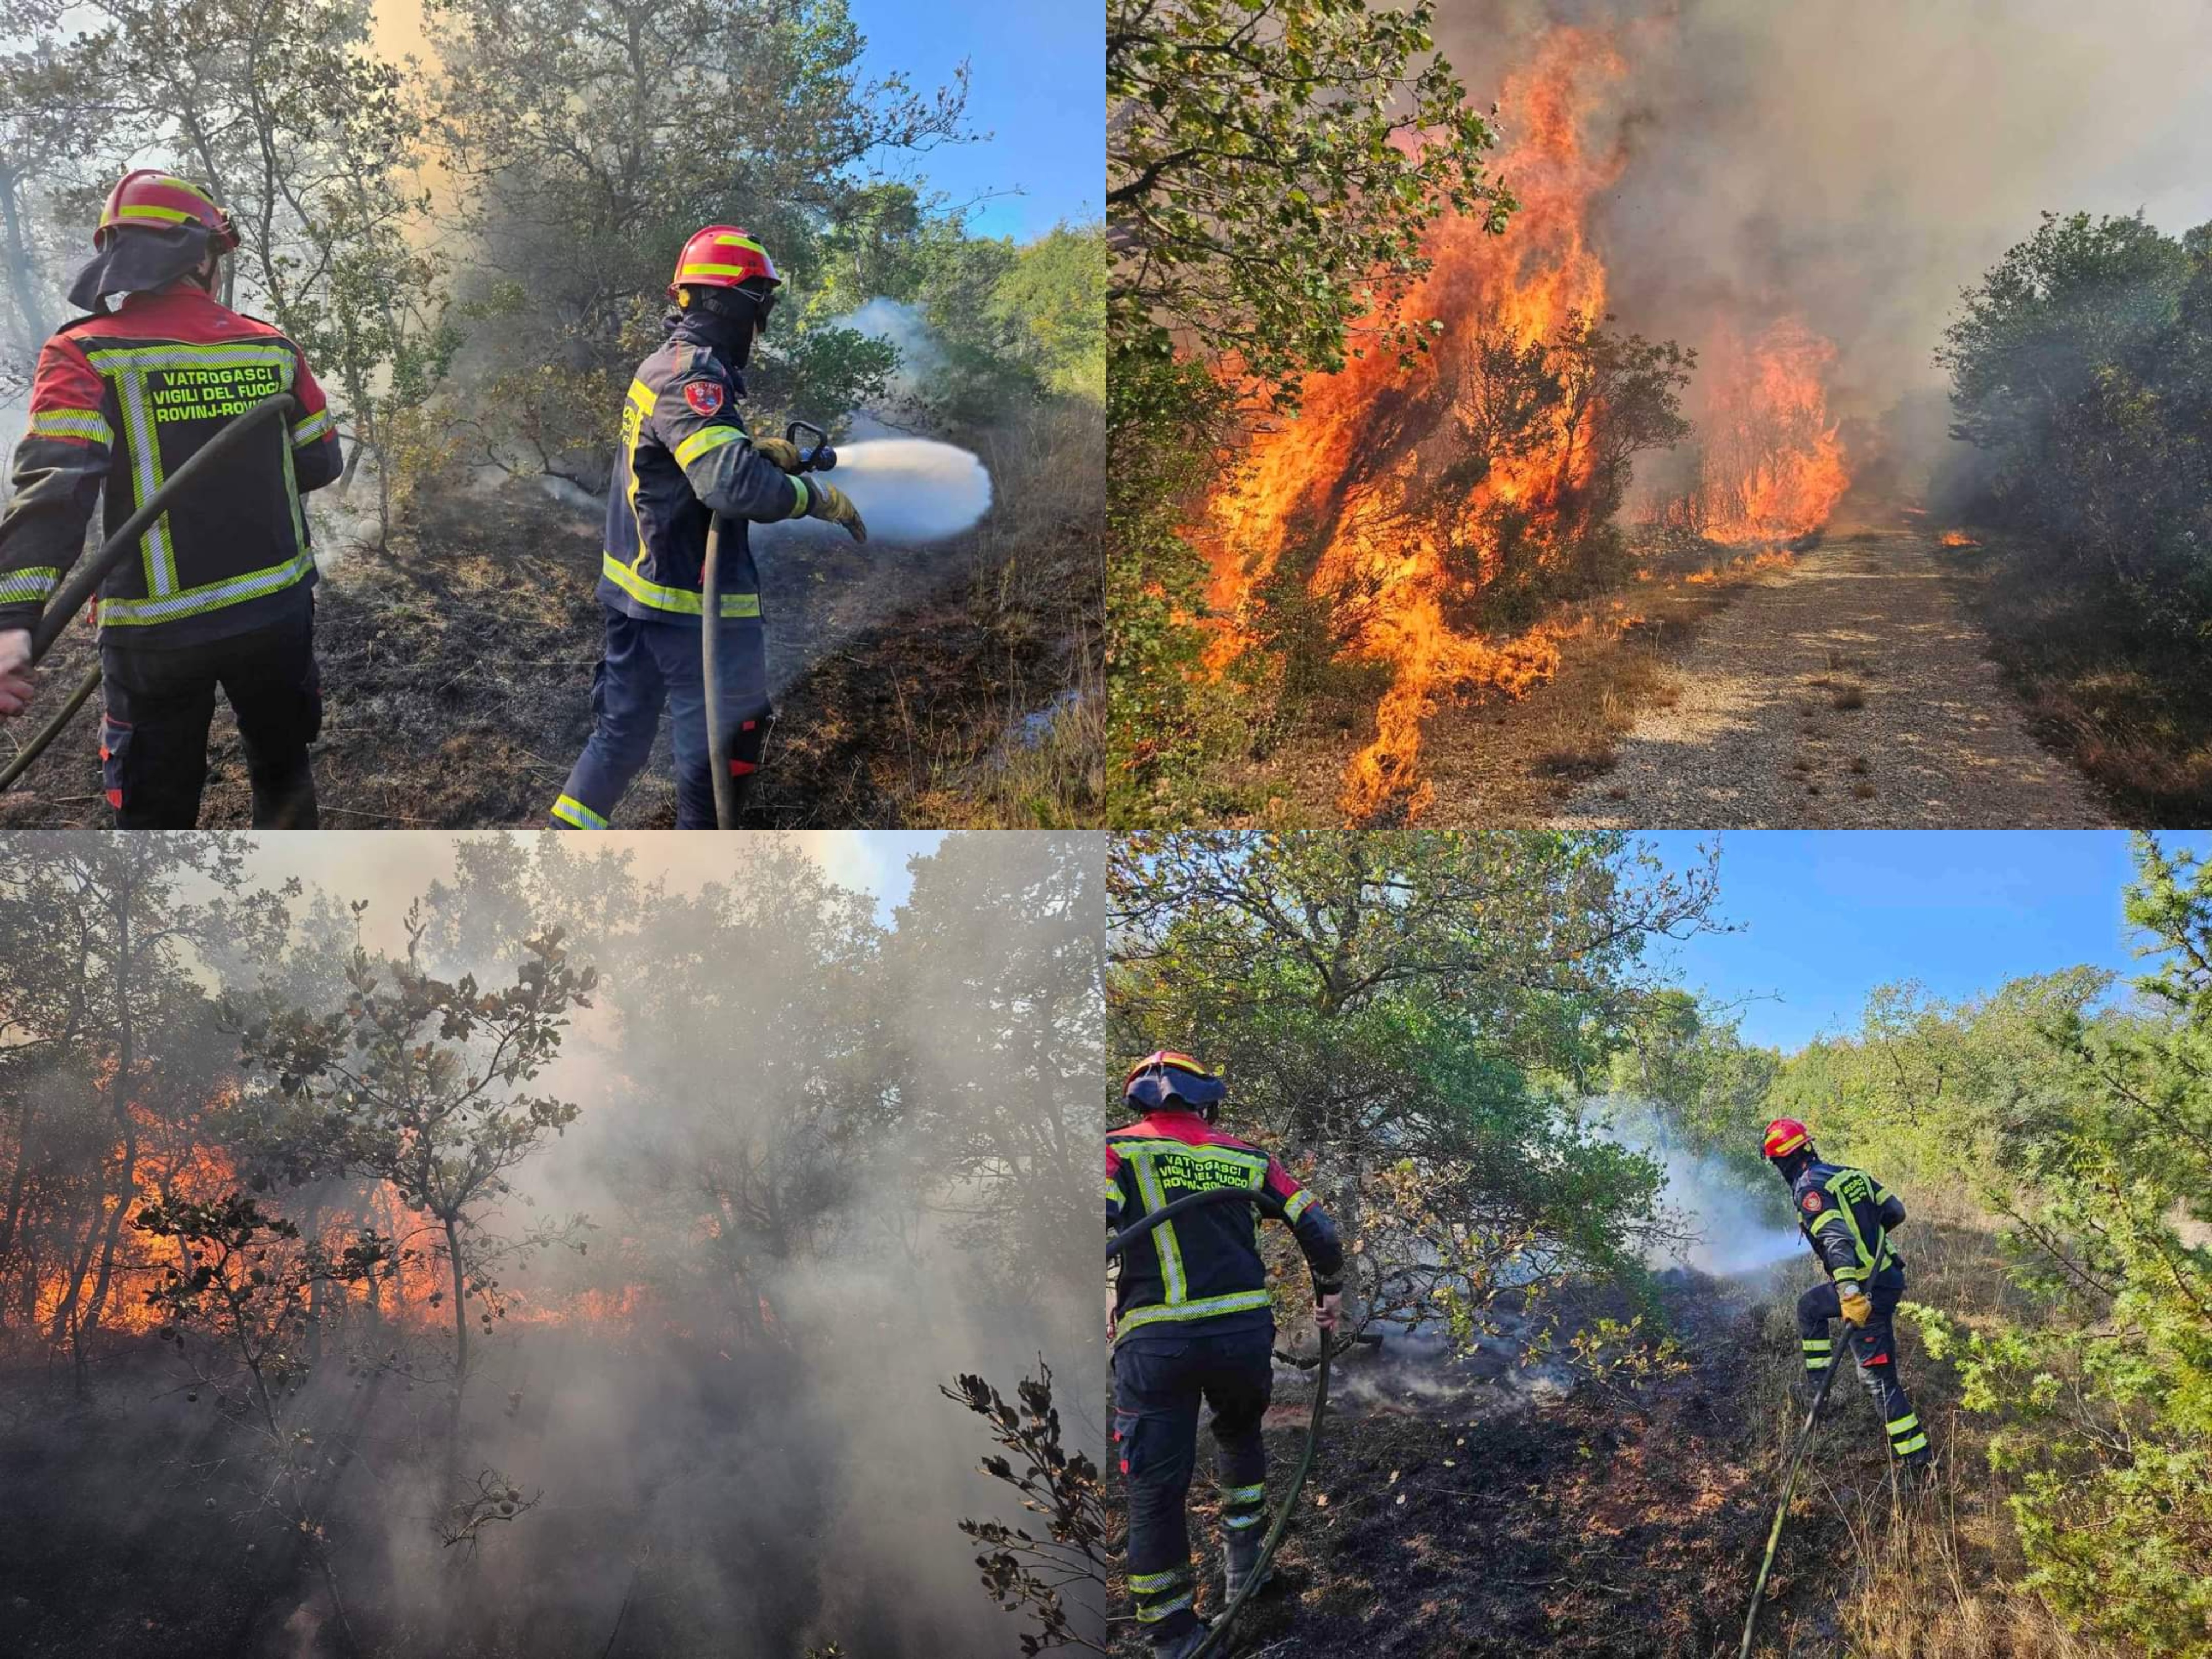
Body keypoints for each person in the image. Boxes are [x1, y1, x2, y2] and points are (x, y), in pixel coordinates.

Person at [0, 170, 343, 827]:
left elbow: (55, 486)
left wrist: (14, 619)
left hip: (157, 638)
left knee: (156, 814)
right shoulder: (271, 348)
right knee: (283, 771)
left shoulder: (82, 352)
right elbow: (321, 462)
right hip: (276, 614)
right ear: (204, 257)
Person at [548, 225, 866, 830]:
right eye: (760, 307)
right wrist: (814, 497)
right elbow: (729, 485)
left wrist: (755, 450)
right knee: (718, 758)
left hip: (639, 600)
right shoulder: (693, 376)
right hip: (694, 616)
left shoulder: (666, 366)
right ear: (733, 305)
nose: (761, 326)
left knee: (618, 742)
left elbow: (693, 465)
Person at [1108, 1051, 1345, 1657]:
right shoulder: (1244, 1157)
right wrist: (1329, 1292)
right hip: (1241, 1338)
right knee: (1240, 1437)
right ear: (1206, 1100)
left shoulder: (1116, 1151)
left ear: (1140, 1101)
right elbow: (1317, 1226)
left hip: (1157, 1344)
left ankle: (1174, 1636)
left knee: (1155, 1488)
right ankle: (1247, 1571)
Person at [1764, 1117, 1933, 1478]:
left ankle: (1920, 1464)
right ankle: (1819, 1387)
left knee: (1877, 1379)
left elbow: (1837, 1239)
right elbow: (1895, 1212)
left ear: (1783, 1162)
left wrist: (1852, 1292)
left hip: (1867, 1291)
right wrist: (1872, 1239)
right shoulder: (1849, 1174)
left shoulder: (1807, 1189)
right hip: (1886, 1277)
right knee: (1809, 1307)